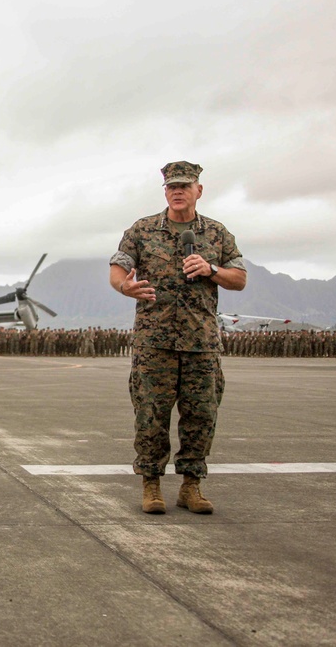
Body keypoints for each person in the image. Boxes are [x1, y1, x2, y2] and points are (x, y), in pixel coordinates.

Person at [109, 161, 247, 515]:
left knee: (201, 416)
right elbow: (118, 270)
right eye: (171, 186)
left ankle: (191, 486)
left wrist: (212, 269)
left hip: (201, 343)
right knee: (150, 416)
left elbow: (240, 277)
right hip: (154, 343)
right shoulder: (142, 230)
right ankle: (151, 484)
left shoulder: (216, 234)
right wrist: (125, 286)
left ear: (199, 190)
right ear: (165, 191)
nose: (177, 191)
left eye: (185, 185)